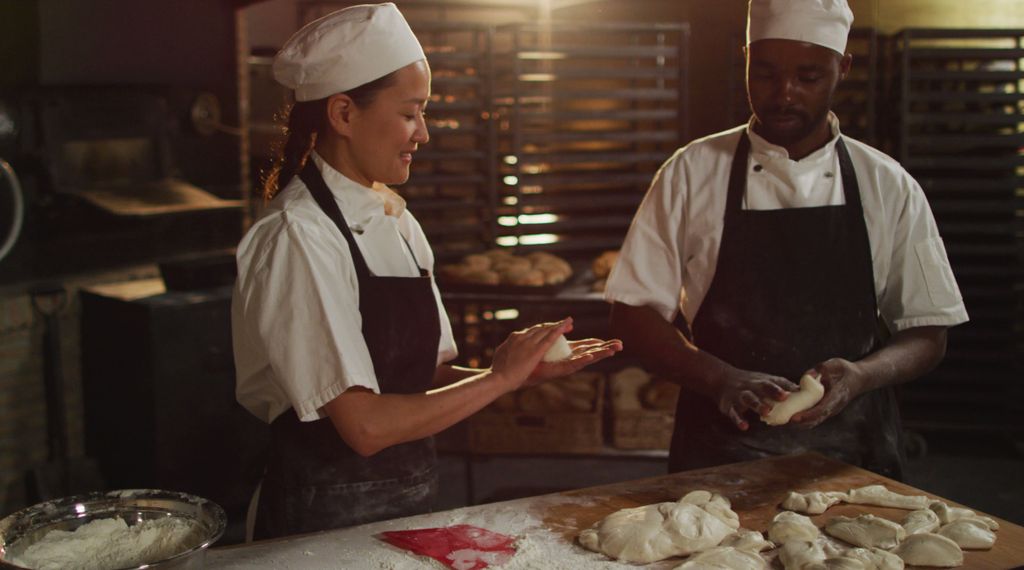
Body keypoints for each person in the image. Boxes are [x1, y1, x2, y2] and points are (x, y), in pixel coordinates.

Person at [231, 3, 621, 540]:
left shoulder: (397, 220)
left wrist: (513, 373)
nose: (425, 133)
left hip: (408, 510)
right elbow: (364, 427)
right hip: (317, 531)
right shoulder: (298, 235)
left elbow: (425, 382)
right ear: (343, 114)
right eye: (411, 112)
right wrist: (499, 378)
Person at [605, 0, 968, 480]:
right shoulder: (692, 172)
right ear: (746, 61)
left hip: (854, 462)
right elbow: (632, 313)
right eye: (766, 74)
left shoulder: (885, 183)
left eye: (809, 77)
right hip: (719, 460)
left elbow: (928, 332)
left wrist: (862, 376)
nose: (784, 94)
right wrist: (720, 379)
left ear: (843, 68)